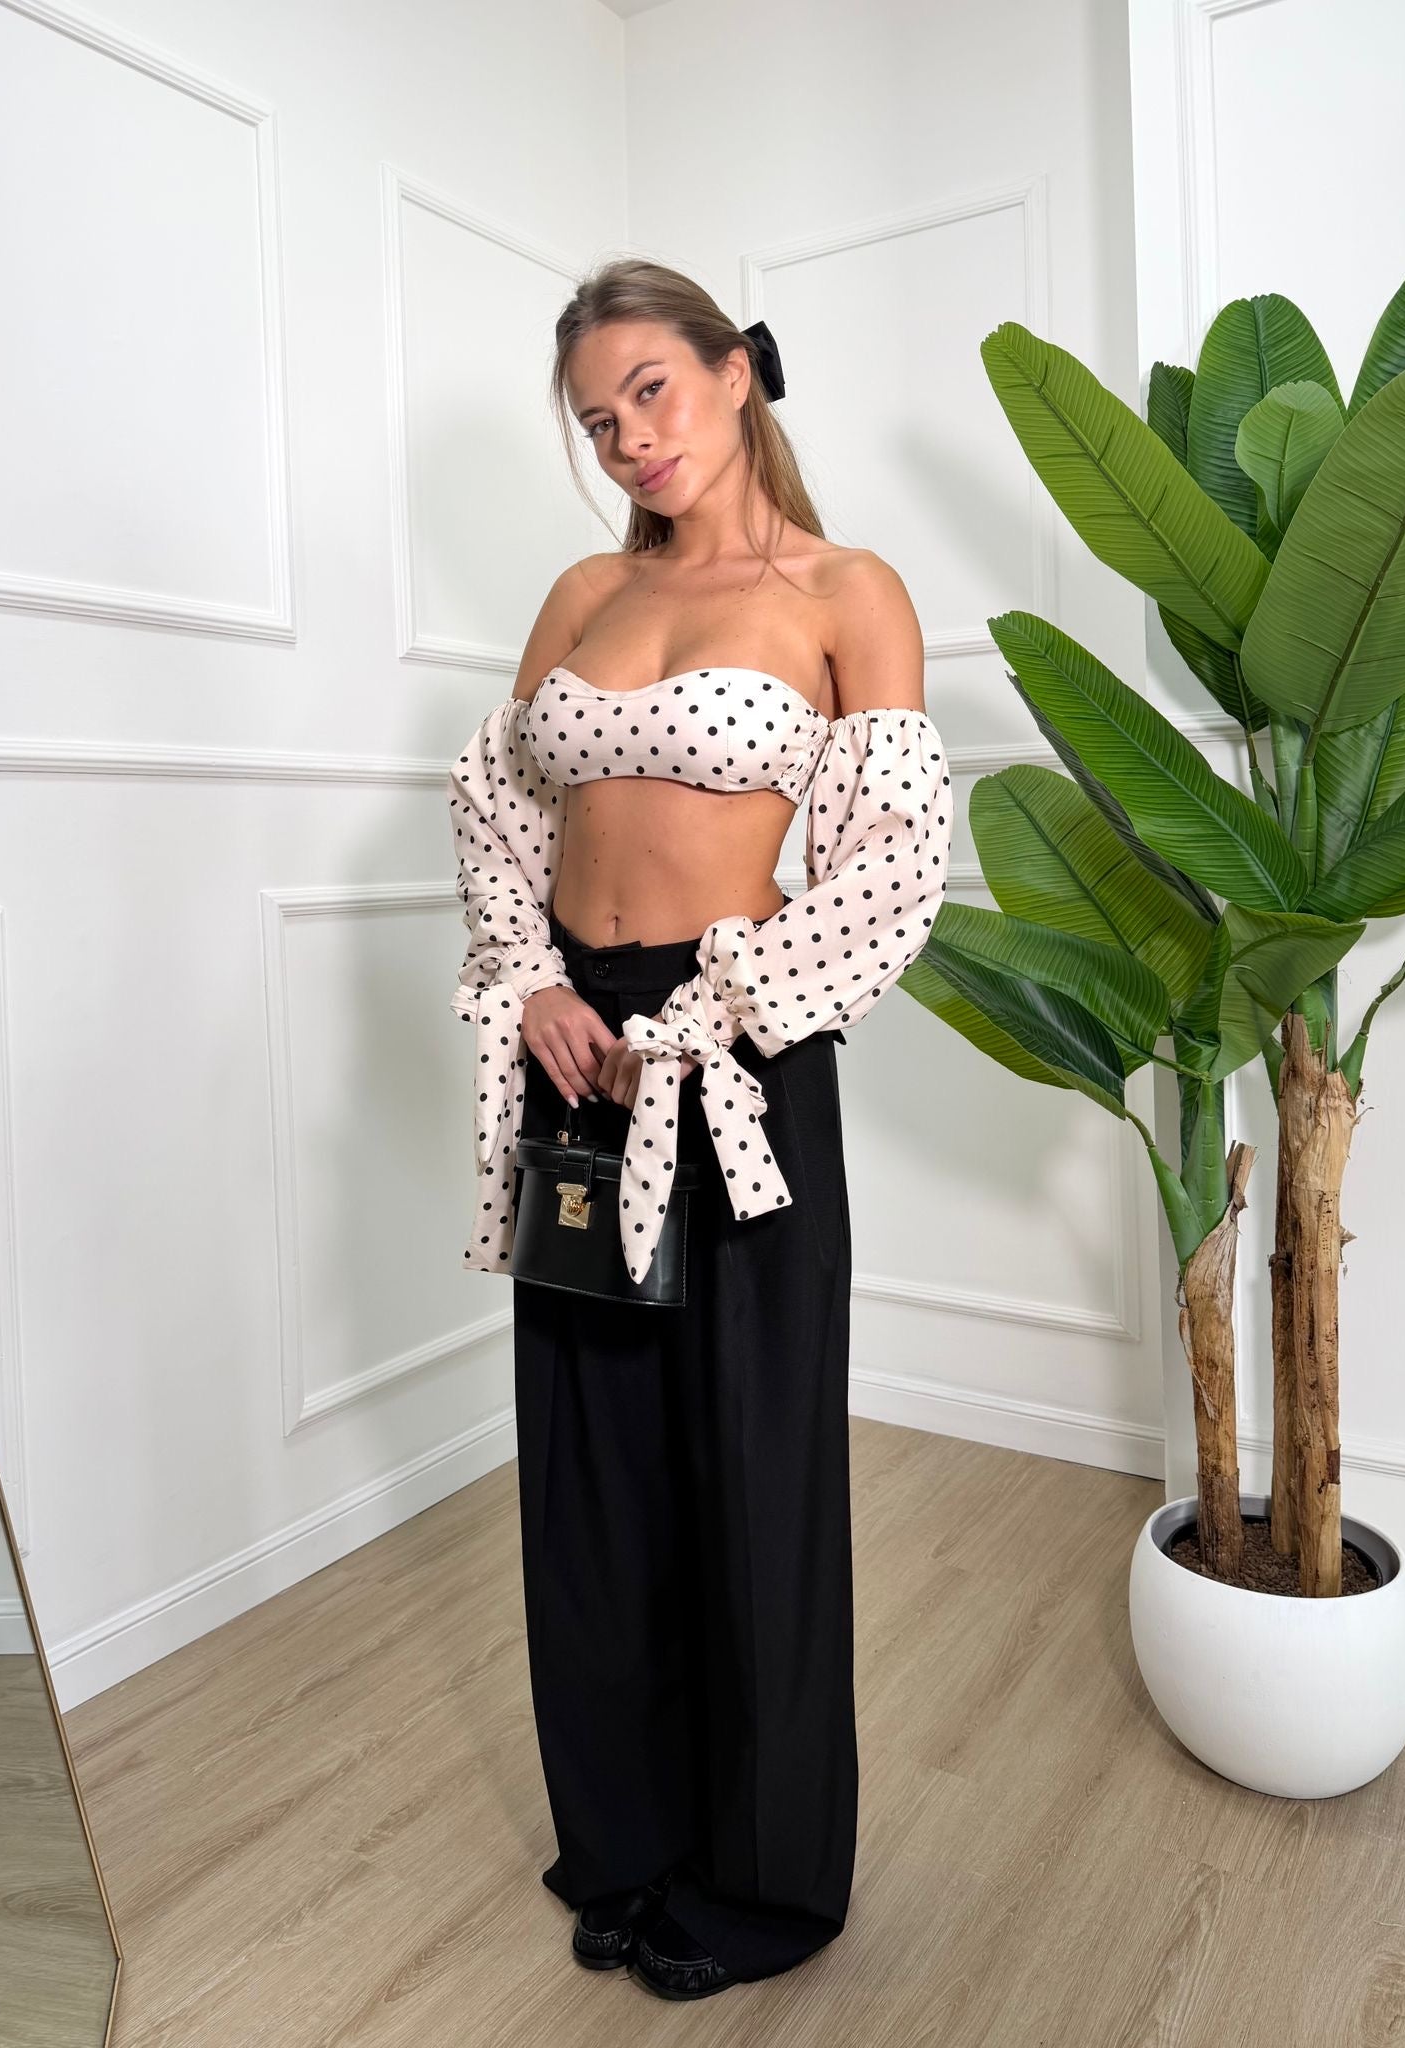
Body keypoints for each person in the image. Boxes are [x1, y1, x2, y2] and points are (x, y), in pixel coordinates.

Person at [446, 257, 953, 2000]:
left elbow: (892, 865)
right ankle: (626, 1839)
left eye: (650, 392)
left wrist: (720, 1006)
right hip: (578, 1054)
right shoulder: (585, 590)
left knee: (752, 1460)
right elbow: (500, 806)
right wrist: (529, 980)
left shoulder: (845, 590)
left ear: (736, 373)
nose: (630, 440)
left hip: (735, 1053)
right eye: (599, 422)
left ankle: (761, 1880)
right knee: (591, 1465)